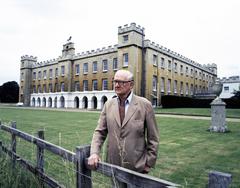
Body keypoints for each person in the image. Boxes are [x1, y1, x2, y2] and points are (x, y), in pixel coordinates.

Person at [88, 69, 159, 175]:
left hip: (137, 167)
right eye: (115, 81)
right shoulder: (108, 105)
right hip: (113, 165)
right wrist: (94, 153)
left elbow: (153, 138)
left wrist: (149, 162)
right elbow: (99, 132)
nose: (116, 85)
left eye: (121, 82)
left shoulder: (145, 105)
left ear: (131, 85)